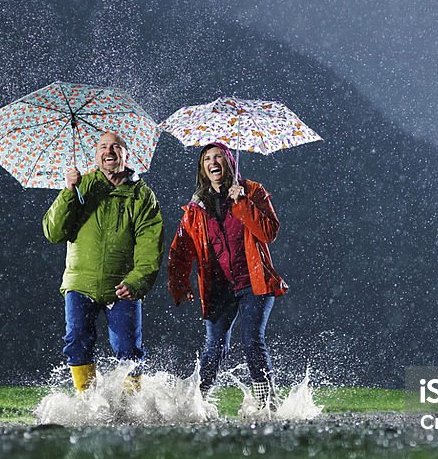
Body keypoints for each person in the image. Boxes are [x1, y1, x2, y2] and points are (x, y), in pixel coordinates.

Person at [168, 142, 288, 408]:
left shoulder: (252, 191)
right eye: (208, 158)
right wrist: (179, 284)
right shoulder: (196, 208)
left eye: (219, 156)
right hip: (219, 289)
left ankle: (265, 402)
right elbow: (180, 250)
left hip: (254, 284)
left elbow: (269, 232)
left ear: (230, 162)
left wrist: (242, 202)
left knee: (251, 341)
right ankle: (198, 404)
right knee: (214, 348)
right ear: (203, 168)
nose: (213, 161)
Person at [42, 130, 164, 392]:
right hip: (80, 283)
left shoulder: (142, 195)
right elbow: (53, 232)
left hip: (122, 287)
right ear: (95, 155)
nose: (108, 151)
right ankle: (87, 404)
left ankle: (132, 409)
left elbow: (150, 245)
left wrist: (136, 281)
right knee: (76, 342)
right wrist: (68, 191)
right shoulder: (82, 185)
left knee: (129, 350)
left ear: (126, 155)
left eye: (115, 147)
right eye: (102, 147)